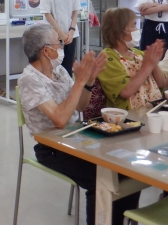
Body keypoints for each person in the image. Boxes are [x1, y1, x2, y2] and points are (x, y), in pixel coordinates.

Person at [18, 24, 141, 225]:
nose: (62, 46)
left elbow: (81, 106)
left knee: (127, 167)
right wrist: (79, 82)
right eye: (58, 43)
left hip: (77, 137)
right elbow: (59, 120)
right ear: (46, 51)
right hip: (52, 147)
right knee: (101, 179)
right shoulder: (29, 79)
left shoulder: (59, 71)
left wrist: (88, 81)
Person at [97, 7, 167, 110]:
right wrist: (147, 66)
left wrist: (154, 62)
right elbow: (126, 91)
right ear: (119, 31)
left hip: (154, 109)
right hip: (131, 116)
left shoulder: (139, 53)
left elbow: (161, 83)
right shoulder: (107, 57)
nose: (137, 29)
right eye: (134, 25)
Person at [39, 0, 80, 77]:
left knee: (67, 69)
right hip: (53, 36)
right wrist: (60, 33)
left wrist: (71, 31)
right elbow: (47, 13)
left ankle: (68, 89)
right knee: (52, 68)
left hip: (70, 35)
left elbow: (75, 10)